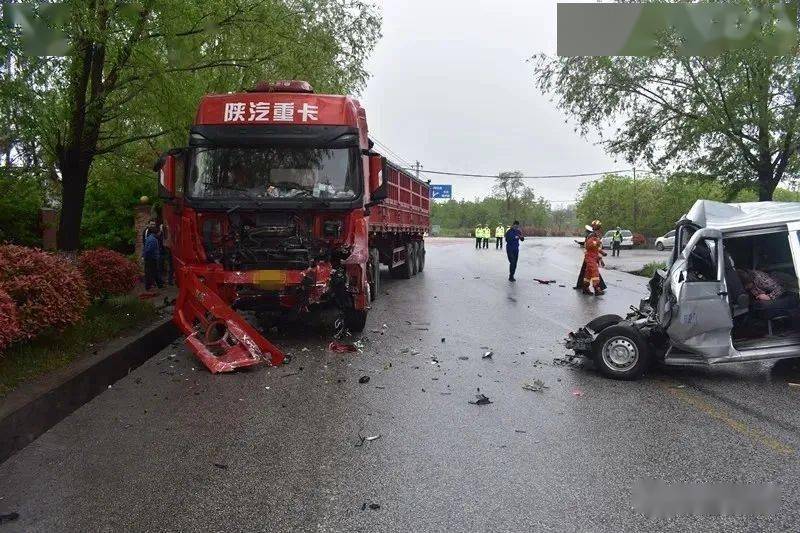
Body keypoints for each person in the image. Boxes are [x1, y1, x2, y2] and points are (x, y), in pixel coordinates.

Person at [582, 220, 607, 295]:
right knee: (595, 272)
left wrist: (602, 253)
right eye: (598, 228)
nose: (599, 230)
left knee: (588, 274)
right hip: (590, 257)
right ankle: (597, 289)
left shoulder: (594, 235)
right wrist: (598, 242)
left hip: (592, 257)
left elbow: (595, 248)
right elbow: (589, 246)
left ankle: (585, 288)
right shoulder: (592, 236)